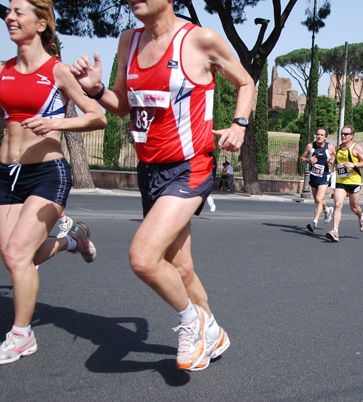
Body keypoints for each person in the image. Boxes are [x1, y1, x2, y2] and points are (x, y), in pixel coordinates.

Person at [70, 0, 254, 371]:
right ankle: (214, 331)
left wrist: (239, 125)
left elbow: (246, 81)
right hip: (149, 170)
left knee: (142, 257)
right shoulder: (128, 41)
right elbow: (121, 105)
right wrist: (95, 90)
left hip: (190, 166)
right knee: (179, 266)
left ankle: (192, 322)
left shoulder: (199, 39)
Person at [0, 0, 106, 366]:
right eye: (8, 12)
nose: (10, 17)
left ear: (41, 24)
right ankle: (71, 240)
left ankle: (21, 335)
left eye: (19, 12)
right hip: (5, 173)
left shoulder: (57, 71)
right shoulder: (3, 70)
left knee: (17, 255)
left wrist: (55, 123)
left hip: (46, 172)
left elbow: (97, 118)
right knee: (13, 258)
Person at [326, 125, 363, 242]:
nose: (343, 136)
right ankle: (335, 231)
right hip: (341, 181)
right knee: (338, 204)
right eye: (342, 133)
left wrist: (353, 164)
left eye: (346, 134)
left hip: (354, 182)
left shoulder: (356, 148)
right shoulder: (338, 148)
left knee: (354, 208)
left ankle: (361, 217)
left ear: (352, 136)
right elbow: (334, 160)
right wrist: (331, 160)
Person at [301, 127, 335, 233]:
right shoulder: (310, 146)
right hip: (313, 176)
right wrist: (308, 160)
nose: (319, 136)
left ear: (325, 137)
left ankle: (314, 223)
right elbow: (302, 159)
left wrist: (331, 160)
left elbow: (336, 159)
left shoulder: (330, 147)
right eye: (318, 134)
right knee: (317, 200)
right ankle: (327, 210)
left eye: (321, 135)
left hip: (324, 176)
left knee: (319, 199)